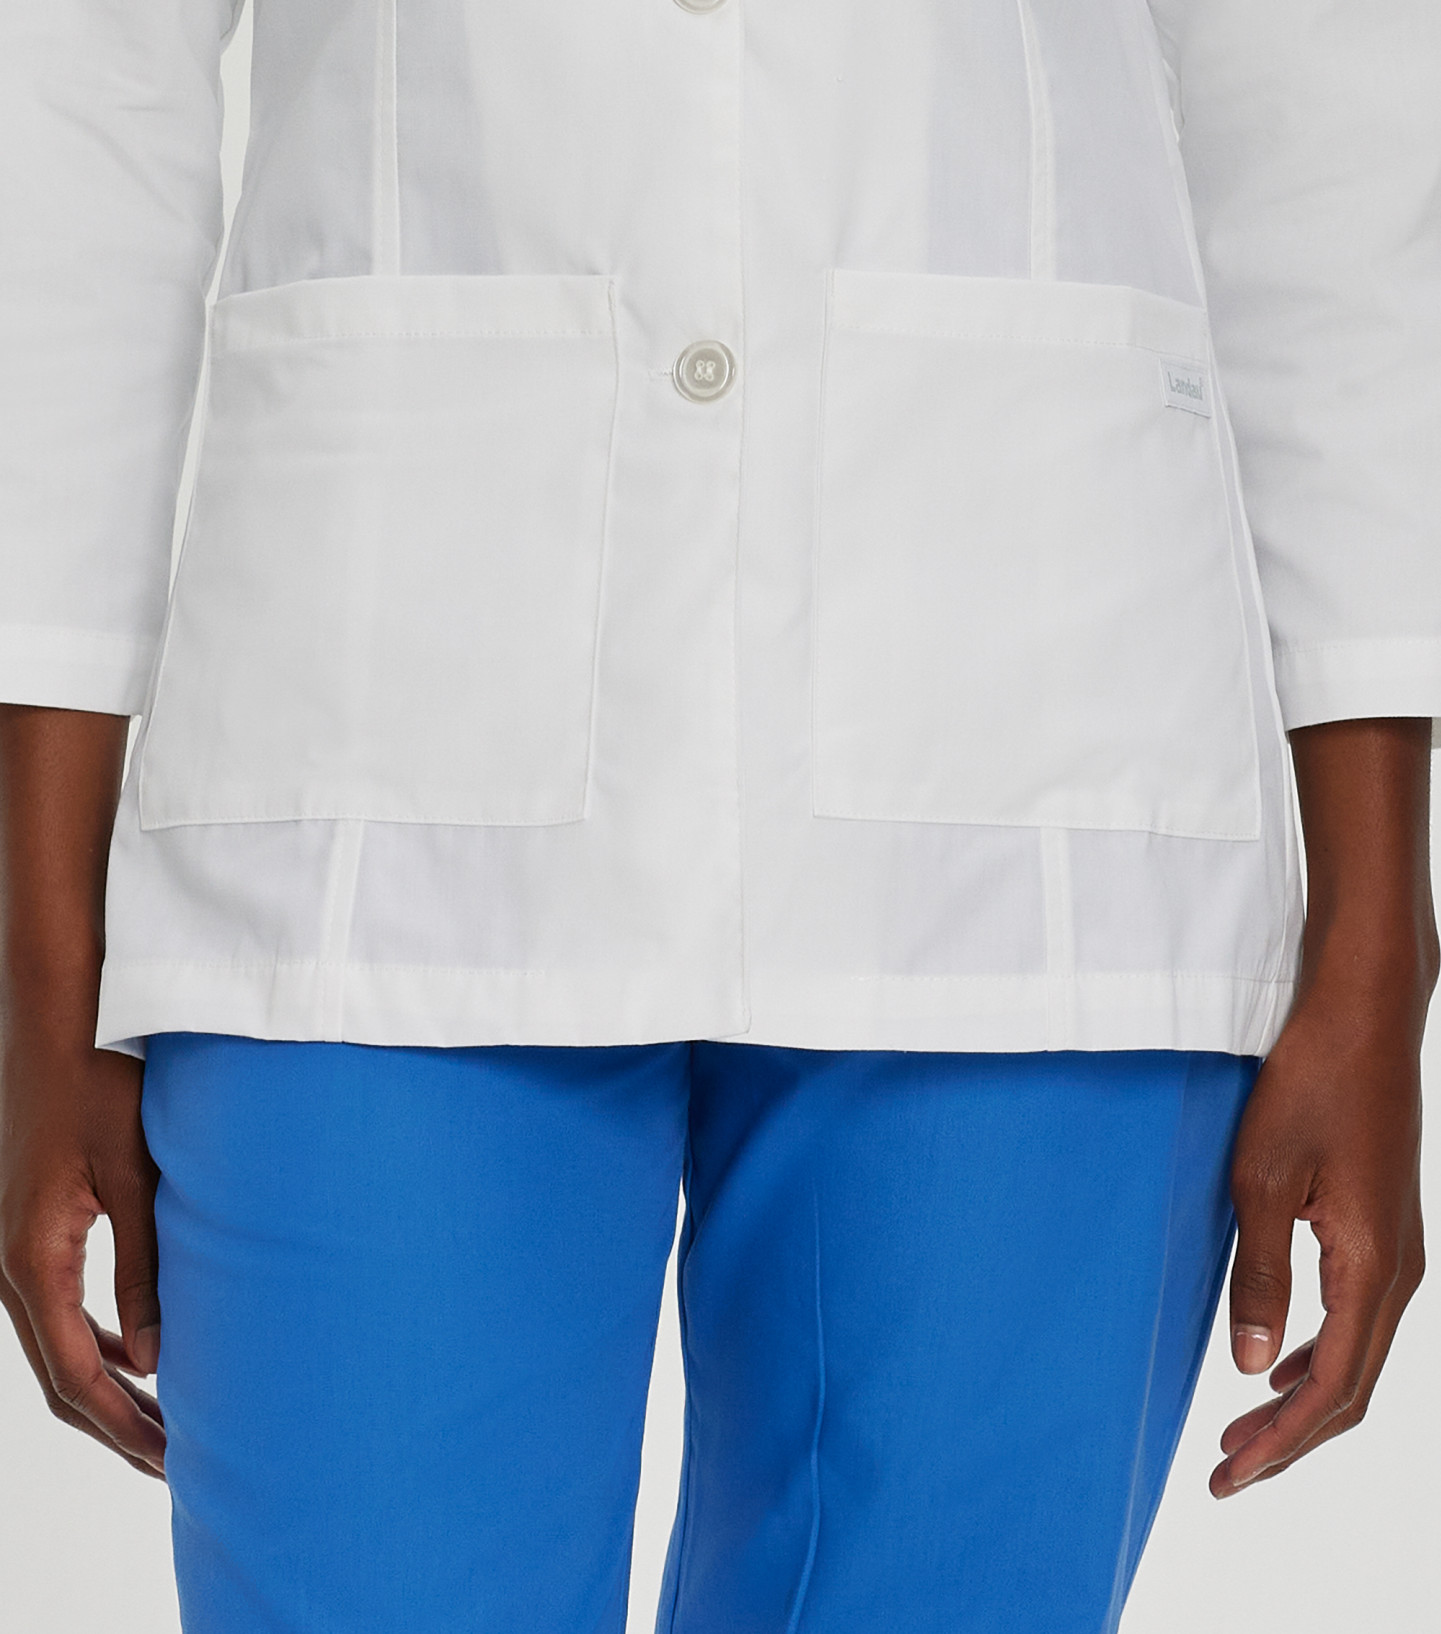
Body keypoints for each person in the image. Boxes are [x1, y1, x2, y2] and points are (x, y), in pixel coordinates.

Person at [0, 3, 1437, 1631]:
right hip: (370, 745)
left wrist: (1376, 930)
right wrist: (44, 965)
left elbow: (1325, 84)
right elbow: (69, 84)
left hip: (1031, 739)